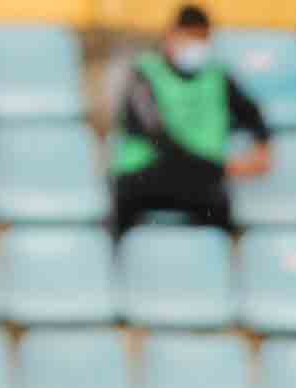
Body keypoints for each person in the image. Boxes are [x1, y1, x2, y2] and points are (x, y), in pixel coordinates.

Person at [111, 6, 276, 237]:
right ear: (171, 34)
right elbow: (159, 138)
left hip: (200, 183)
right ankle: (119, 266)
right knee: (123, 201)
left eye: (202, 39)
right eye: (190, 37)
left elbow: (253, 114)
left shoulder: (217, 75)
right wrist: (224, 168)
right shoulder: (144, 74)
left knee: (220, 207)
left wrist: (264, 147)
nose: (196, 46)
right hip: (149, 177)